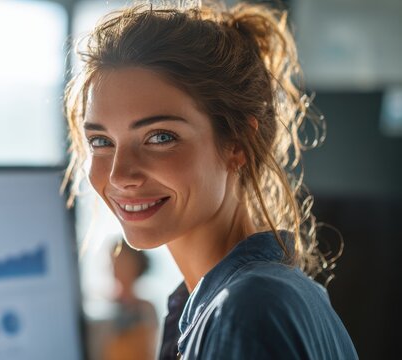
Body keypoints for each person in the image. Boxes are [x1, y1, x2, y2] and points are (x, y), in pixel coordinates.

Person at [62, 1, 358, 358]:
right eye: (101, 141)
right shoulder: (258, 295)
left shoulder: (245, 312)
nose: (120, 175)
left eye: (159, 137)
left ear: (236, 143)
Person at [102, 240, 158, 360]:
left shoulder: (146, 308)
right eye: (114, 261)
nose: (116, 266)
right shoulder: (104, 306)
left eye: (122, 261)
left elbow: (151, 350)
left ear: (136, 264)